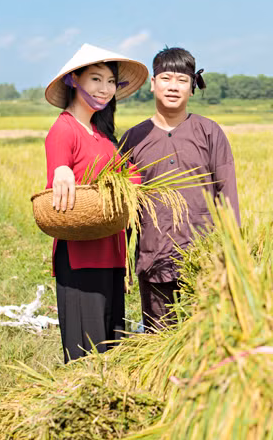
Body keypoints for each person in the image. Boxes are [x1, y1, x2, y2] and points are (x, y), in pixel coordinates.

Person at [120, 46, 240, 332]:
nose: (173, 87)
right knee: (159, 345)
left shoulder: (209, 132)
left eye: (182, 80)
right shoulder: (133, 139)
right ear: (153, 84)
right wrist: (120, 261)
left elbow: (228, 196)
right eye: (166, 78)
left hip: (204, 259)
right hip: (154, 261)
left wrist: (233, 254)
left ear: (192, 87)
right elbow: (123, 208)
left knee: (208, 341)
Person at [43, 43, 149, 363]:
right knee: (86, 355)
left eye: (110, 82)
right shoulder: (64, 128)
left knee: (112, 349)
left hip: (112, 253)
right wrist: (62, 170)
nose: (105, 90)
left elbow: (133, 179)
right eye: (95, 79)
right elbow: (59, 166)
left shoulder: (102, 134)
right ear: (74, 80)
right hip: (82, 254)